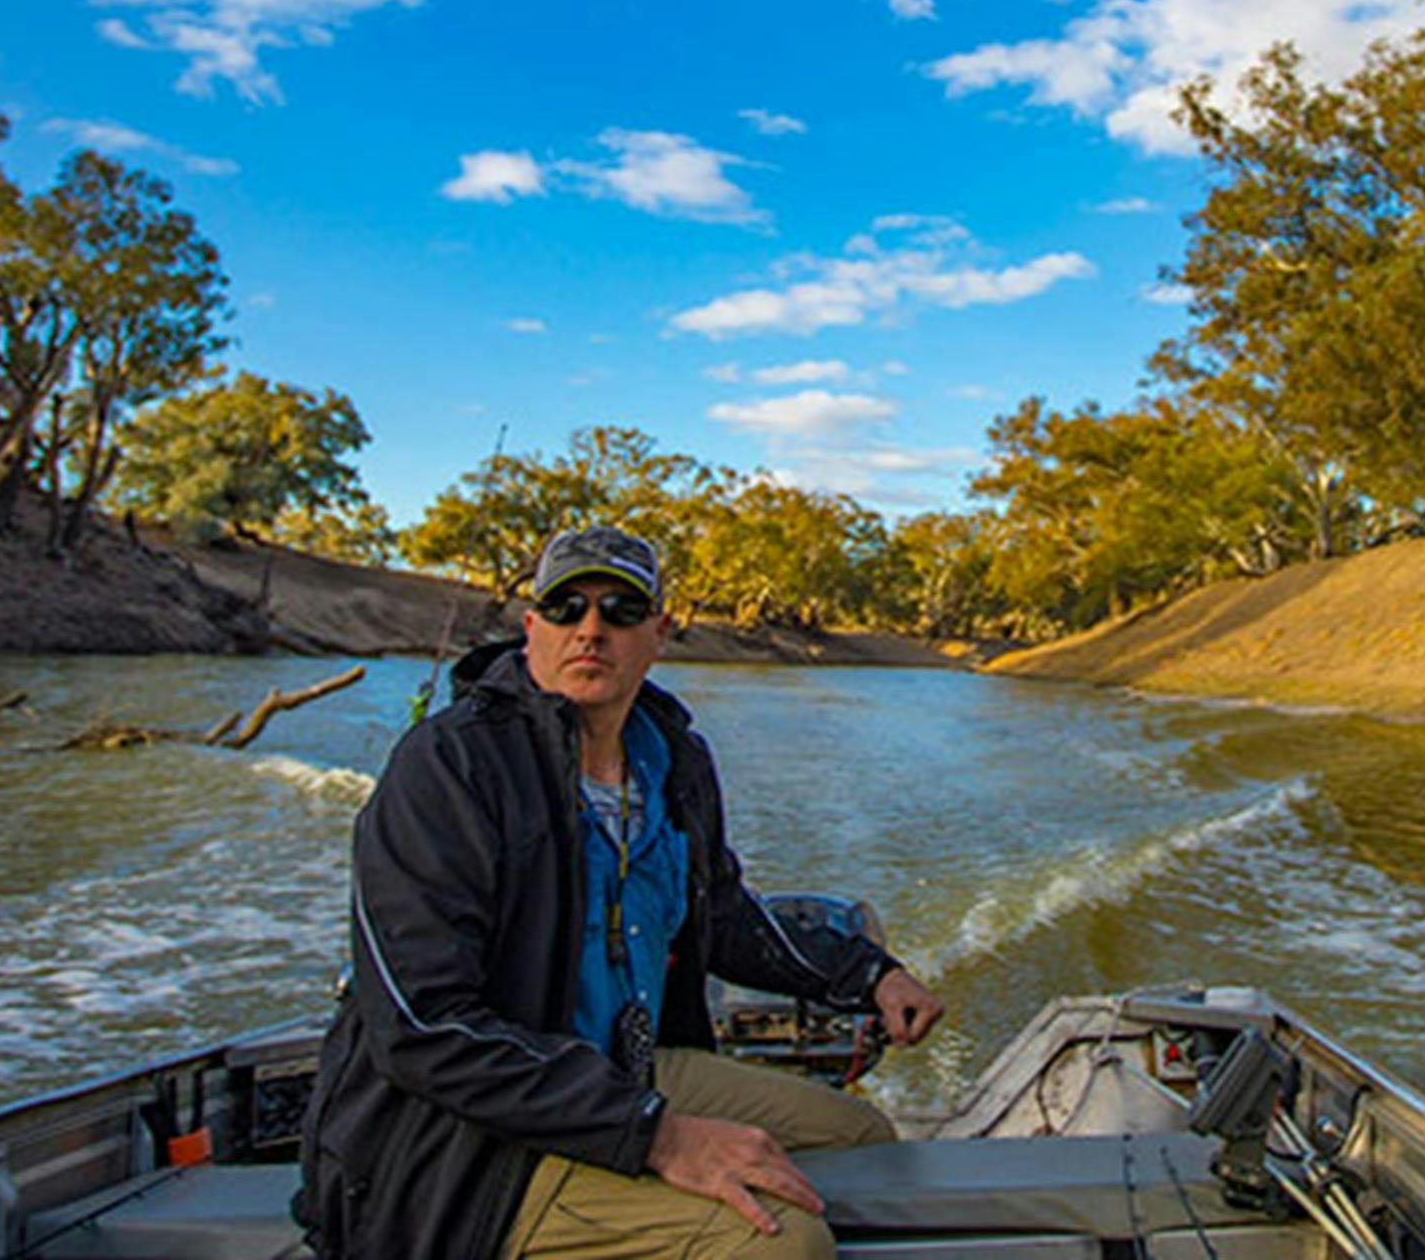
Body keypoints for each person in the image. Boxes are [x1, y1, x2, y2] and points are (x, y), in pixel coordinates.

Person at [295, 526, 942, 1260]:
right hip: (463, 1136)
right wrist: (656, 1135)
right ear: (532, 628)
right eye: (567, 608)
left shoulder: (671, 757)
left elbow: (721, 912)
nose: (591, 630)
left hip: (618, 1071)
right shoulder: (448, 767)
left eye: (621, 610)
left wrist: (868, 973)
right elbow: (424, 1023)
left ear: (659, 633)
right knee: (781, 1243)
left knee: (858, 1138)